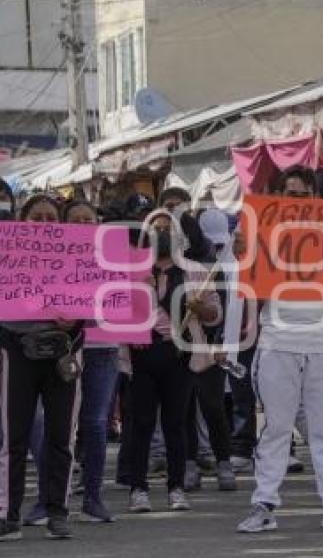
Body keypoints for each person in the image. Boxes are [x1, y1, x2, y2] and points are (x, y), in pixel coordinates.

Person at [234, 165, 323, 533]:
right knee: (277, 427)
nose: (296, 200)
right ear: (278, 198)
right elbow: (250, 289)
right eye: (289, 194)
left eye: (303, 194)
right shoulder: (262, 232)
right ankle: (263, 505)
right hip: (278, 343)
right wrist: (243, 251)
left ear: (315, 199)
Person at [0, 195, 83, 543]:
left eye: (51, 217)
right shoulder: (1, 256)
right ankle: (7, 517)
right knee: (12, 438)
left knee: (61, 438)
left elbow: (99, 307)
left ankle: (58, 513)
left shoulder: (79, 256)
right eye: (37, 216)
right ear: (21, 221)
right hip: (17, 353)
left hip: (63, 355)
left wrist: (77, 319)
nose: (44, 223)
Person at [126, 208, 221, 514]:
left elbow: (214, 314)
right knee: (140, 423)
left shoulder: (194, 271)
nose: (162, 234)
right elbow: (114, 311)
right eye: (155, 229)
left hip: (179, 353)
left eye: (167, 229)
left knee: (175, 423)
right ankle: (138, 488)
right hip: (141, 353)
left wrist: (200, 308)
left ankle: (176, 487)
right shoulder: (130, 269)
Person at [58, 201, 121, 523]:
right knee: (60, 425)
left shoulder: (111, 255)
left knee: (95, 424)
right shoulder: (49, 257)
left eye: (88, 219)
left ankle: (93, 496)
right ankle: (56, 495)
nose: (83, 224)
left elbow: (125, 302)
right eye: (76, 220)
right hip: (63, 349)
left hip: (102, 349)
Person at [184, 207, 237, 492]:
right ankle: (189, 463)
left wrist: (218, 340)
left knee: (213, 405)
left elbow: (223, 309)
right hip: (179, 346)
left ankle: (224, 462)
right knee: (185, 407)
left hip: (211, 343)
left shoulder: (218, 266)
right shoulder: (174, 265)